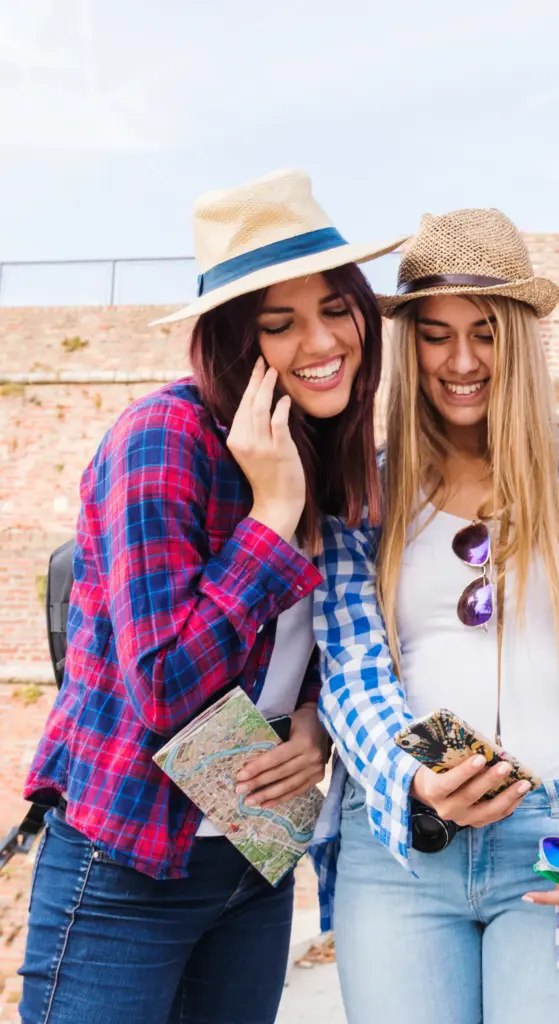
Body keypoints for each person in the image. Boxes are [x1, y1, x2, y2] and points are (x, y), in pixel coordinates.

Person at [18, 169, 405, 1024]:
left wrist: (315, 721)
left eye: (335, 309)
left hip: (253, 859)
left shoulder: (332, 453)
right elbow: (163, 686)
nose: (321, 341)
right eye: (281, 324)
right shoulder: (164, 440)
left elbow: (313, 644)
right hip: (129, 864)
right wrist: (269, 517)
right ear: (236, 342)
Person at [310, 208, 559, 1024]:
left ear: (519, 339)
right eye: (435, 334)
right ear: (407, 344)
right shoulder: (364, 492)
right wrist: (412, 776)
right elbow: (351, 667)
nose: (460, 361)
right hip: (402, 848)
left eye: (485, 333)